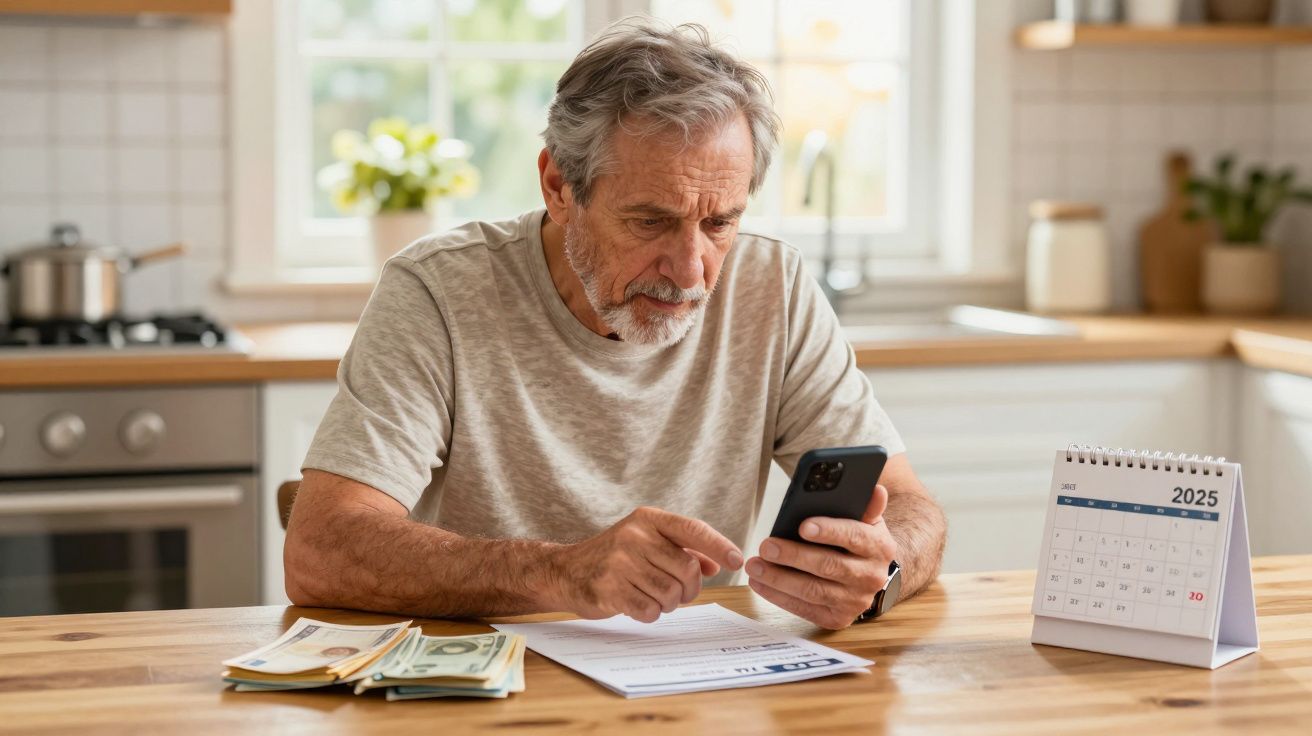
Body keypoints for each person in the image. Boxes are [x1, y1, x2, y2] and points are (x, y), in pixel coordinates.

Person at [284, 19, 947, 631]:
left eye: (720, 224)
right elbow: (319, 551)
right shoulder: (438, 290)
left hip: (695, 690)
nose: (691, 270)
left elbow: (915, 511)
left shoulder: (775, 287)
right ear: (558, 187)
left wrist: (878, 570)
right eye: (649, 221)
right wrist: (560, 572)